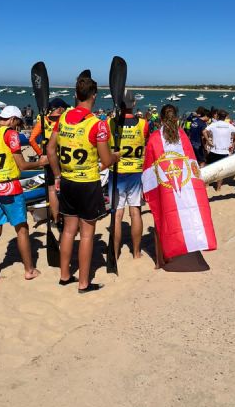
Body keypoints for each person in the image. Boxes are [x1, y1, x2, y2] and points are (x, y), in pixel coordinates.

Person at [47, 75, 120, 293]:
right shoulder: (97, 125)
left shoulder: (64, 116)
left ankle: (64, 275)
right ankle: (83, 283)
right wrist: (115, 156)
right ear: (94, 96)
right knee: (87, 233)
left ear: (75, 95)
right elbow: (106, 161)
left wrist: (58, 175)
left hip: (68, 181)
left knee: (69, 230)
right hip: (87, 183)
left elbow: (51, 150)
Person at [0, 106, 48, 283]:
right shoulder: (10, 134)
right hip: (9, 187)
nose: (18, 126)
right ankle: (29, 270)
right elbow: (22, 165)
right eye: (17, 122)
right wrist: (41, 162)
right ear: (11, 119)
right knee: (22, 230)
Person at [142, 104, 217, 270]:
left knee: (159, 218)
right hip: (182, 183)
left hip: (163, 183)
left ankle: (159, 260)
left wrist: (147, 187)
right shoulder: (182, 136)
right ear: (176, 118)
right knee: (179, 213)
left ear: (161, 119)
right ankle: (173, 252)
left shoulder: (155, 137)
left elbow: (149, 165)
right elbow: (191, 162)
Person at [108, 89, 149, 260]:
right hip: (136, 173)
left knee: (117, 215)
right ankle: (137, 253)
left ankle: (115, 253)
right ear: (134, 104)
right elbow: (145, 142)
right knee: (135, 212)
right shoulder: (143, 123)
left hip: (117, 172)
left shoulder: (111, 122)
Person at [28, 97, 68, 225]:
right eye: (64, 108)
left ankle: (56, 219)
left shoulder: (43, 120)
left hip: (49, 160)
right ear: (60, 109)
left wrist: (41, 154)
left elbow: (31, 139)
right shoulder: (65, 121)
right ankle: (66, 217)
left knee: (52, 190)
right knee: (65, 189)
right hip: (64, 159)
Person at [203, 109, 235, 192]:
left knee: (209, 167)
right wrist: (233, 144)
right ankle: (218, 188)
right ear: (226, 117)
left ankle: (207, 185)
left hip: (214, 150)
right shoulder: (229, 125)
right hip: (224, 151)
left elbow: (204, 131)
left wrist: (208, 141)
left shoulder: (214, 124)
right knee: (221, 170)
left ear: (218, 116)